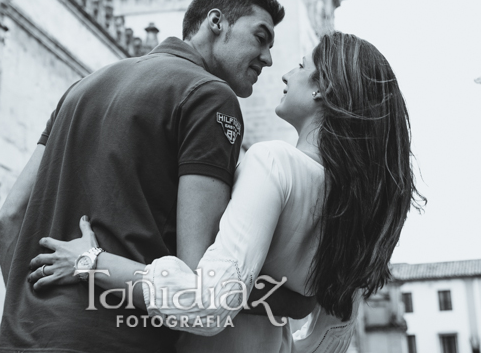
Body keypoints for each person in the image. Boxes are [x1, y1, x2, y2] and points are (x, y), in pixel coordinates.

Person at [29, 32, 425, 353]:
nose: (285, 74)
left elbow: (208, 305)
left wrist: (89, 262)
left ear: (325, 90)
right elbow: (331, 337)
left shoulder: (274, 163)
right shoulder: (357, 200)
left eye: (301, 66)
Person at [0, 0, 307, 353]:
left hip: (17, 338)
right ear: (216, 22)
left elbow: (8, 217)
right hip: (113, 339)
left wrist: (30, 308)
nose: (268, 58)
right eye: (260, 37)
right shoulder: (210, 97)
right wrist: (294, 300)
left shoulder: (81, 88)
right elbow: (199, 273)